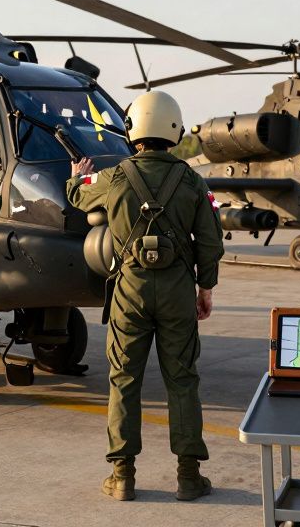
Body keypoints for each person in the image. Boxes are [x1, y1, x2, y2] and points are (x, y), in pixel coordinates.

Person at [65, 90, 224, 502]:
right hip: (176, 292)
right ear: (174, 130)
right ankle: (189, 478)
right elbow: (209, 240)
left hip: (129, 293)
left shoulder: (115, 176)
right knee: (183, 381)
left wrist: (75, 173)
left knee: (124, 381)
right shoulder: (192, 179)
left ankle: (122, 477)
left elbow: (79, 197)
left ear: (132, 129)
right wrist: (204, 287)